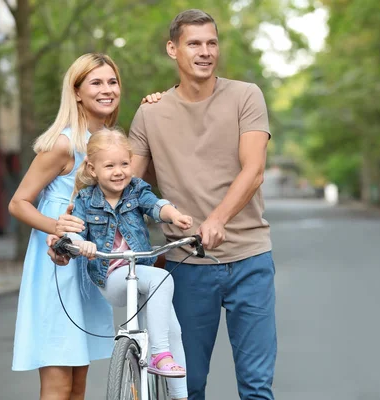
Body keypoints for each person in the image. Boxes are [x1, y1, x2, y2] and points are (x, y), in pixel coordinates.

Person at [129, 9, 277, 400]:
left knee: (257, 388)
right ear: (172, 49)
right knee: (186, 387)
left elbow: (254, 169)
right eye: (194, 43)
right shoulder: (150, 113)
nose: (205, 51)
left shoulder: (247, 96)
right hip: (186, 265)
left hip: (250, 258)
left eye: (212, 42)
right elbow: (125, 185)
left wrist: (217, 218)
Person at [8, 53, 121, 400]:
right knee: (58, 380)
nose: (107, 89)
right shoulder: (64, 143)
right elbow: (18, 202)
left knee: (78, 380)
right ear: (76, 92)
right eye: (96, 82)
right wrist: (56, 226)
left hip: (86, 265)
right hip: (57, 263)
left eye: (112, 81)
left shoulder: (107, 141)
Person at [63, 128, 192, 400]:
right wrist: (80, 243)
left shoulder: (136, 190)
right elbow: (74, 230)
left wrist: (173, 215)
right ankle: (159, 354)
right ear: (93, 168)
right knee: (162, 278)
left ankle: (180, 395)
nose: (119, 171)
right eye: (109, 165)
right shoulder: (86, 200)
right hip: (112, 278)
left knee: (173, 329)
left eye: (124, 164)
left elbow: (155, 205)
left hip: (140, 270)